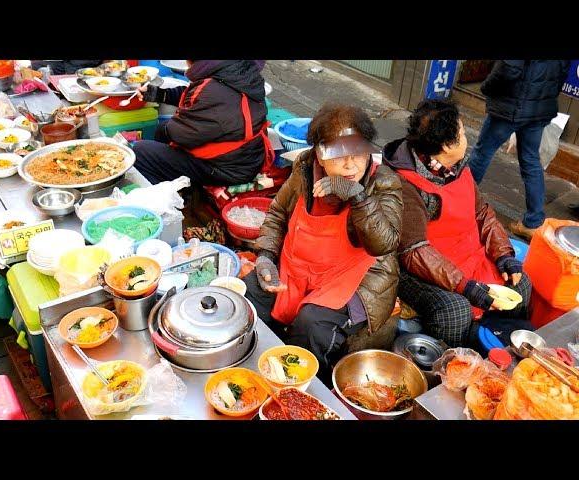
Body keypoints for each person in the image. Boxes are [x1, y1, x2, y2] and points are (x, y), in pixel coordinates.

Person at [244, 104, 403, 384]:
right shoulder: (305, 169)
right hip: (300, 265)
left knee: (311, 325)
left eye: (358, 152)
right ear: (320, 153)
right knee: (251, 297)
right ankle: (252, 374)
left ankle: (305, 389)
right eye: (339, 155)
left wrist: (357, 196)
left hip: (357, 277)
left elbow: (384, 244)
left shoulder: (384, 183)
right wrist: (266, 255)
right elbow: (278, 212)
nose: (351, 164)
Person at [383, 99, 533, 348]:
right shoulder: (406, 183)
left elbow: (482, 213)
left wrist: (504, 255)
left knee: (520, 283)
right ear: (445, 145)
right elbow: (415, 251)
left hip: (468, 256)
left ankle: (503, 352)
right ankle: (454, 362)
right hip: (422, 269)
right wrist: (466, 287)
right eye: (462, 133)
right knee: (455, 310)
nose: (466, 138)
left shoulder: (455, 166)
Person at [467, 60, 571, 240]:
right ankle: (533, 221)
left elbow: (508, 69)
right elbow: (560, 75)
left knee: (482, 152)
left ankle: (458, 199)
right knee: (531, 161)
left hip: (511, 107)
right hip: (538, 109)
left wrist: (486, 88)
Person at [133, 60, 272, 186]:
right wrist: (158, 94)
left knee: (141, 151)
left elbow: (182, 134)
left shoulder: (214, 89)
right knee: (162, 132)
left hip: (229, 169)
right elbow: (194, 95)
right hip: (247, 157)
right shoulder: (236, 71)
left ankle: (178, 195)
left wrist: (165, 129)